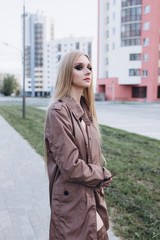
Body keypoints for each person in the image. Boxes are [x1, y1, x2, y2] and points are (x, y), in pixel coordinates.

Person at [44, 50, 112, 240]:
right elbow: (71, 166)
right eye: (79, 67)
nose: (87, 71)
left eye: (89, 67)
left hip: (92, 196)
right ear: (67, 72)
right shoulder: (58, 111)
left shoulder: (86, 110)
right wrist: (103, 174)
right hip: (71, 202)